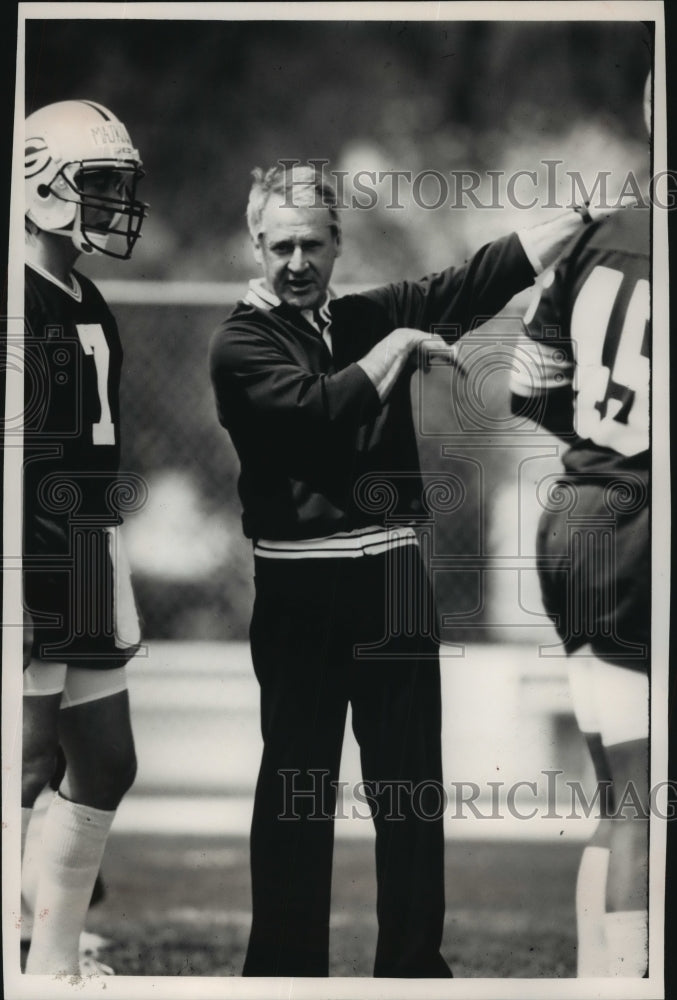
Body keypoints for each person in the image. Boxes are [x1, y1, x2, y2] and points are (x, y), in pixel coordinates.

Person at [209, 162, 611, 978]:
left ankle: (411, 972)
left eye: (312, 245)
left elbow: (473, 280)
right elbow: (322, 415)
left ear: (336, 244)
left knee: (410, 792)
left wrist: (583, 217)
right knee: (297, 788)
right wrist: (398, 346)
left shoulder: (361, 315)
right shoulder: (240, 344)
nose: (296, 262)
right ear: (255, 244)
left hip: (392, 579)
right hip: (301, 585)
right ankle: (283, 978)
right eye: (280, 245)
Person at [509, 79, 651, 978]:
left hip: (575, 516)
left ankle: (600, 982)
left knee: (617, 796)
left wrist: (601, 440)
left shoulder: (601, 227)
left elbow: (529, 385)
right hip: (643, 527)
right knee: (644, 801)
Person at [21, 99, 147, 976]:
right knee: (24, 761)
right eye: (96, 185)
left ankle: (54, 966)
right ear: (40, 185)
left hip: (87, 546)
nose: (110, 205)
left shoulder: (87, 296)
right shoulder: (15, 299)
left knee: (105, 760)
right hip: (30, 553)